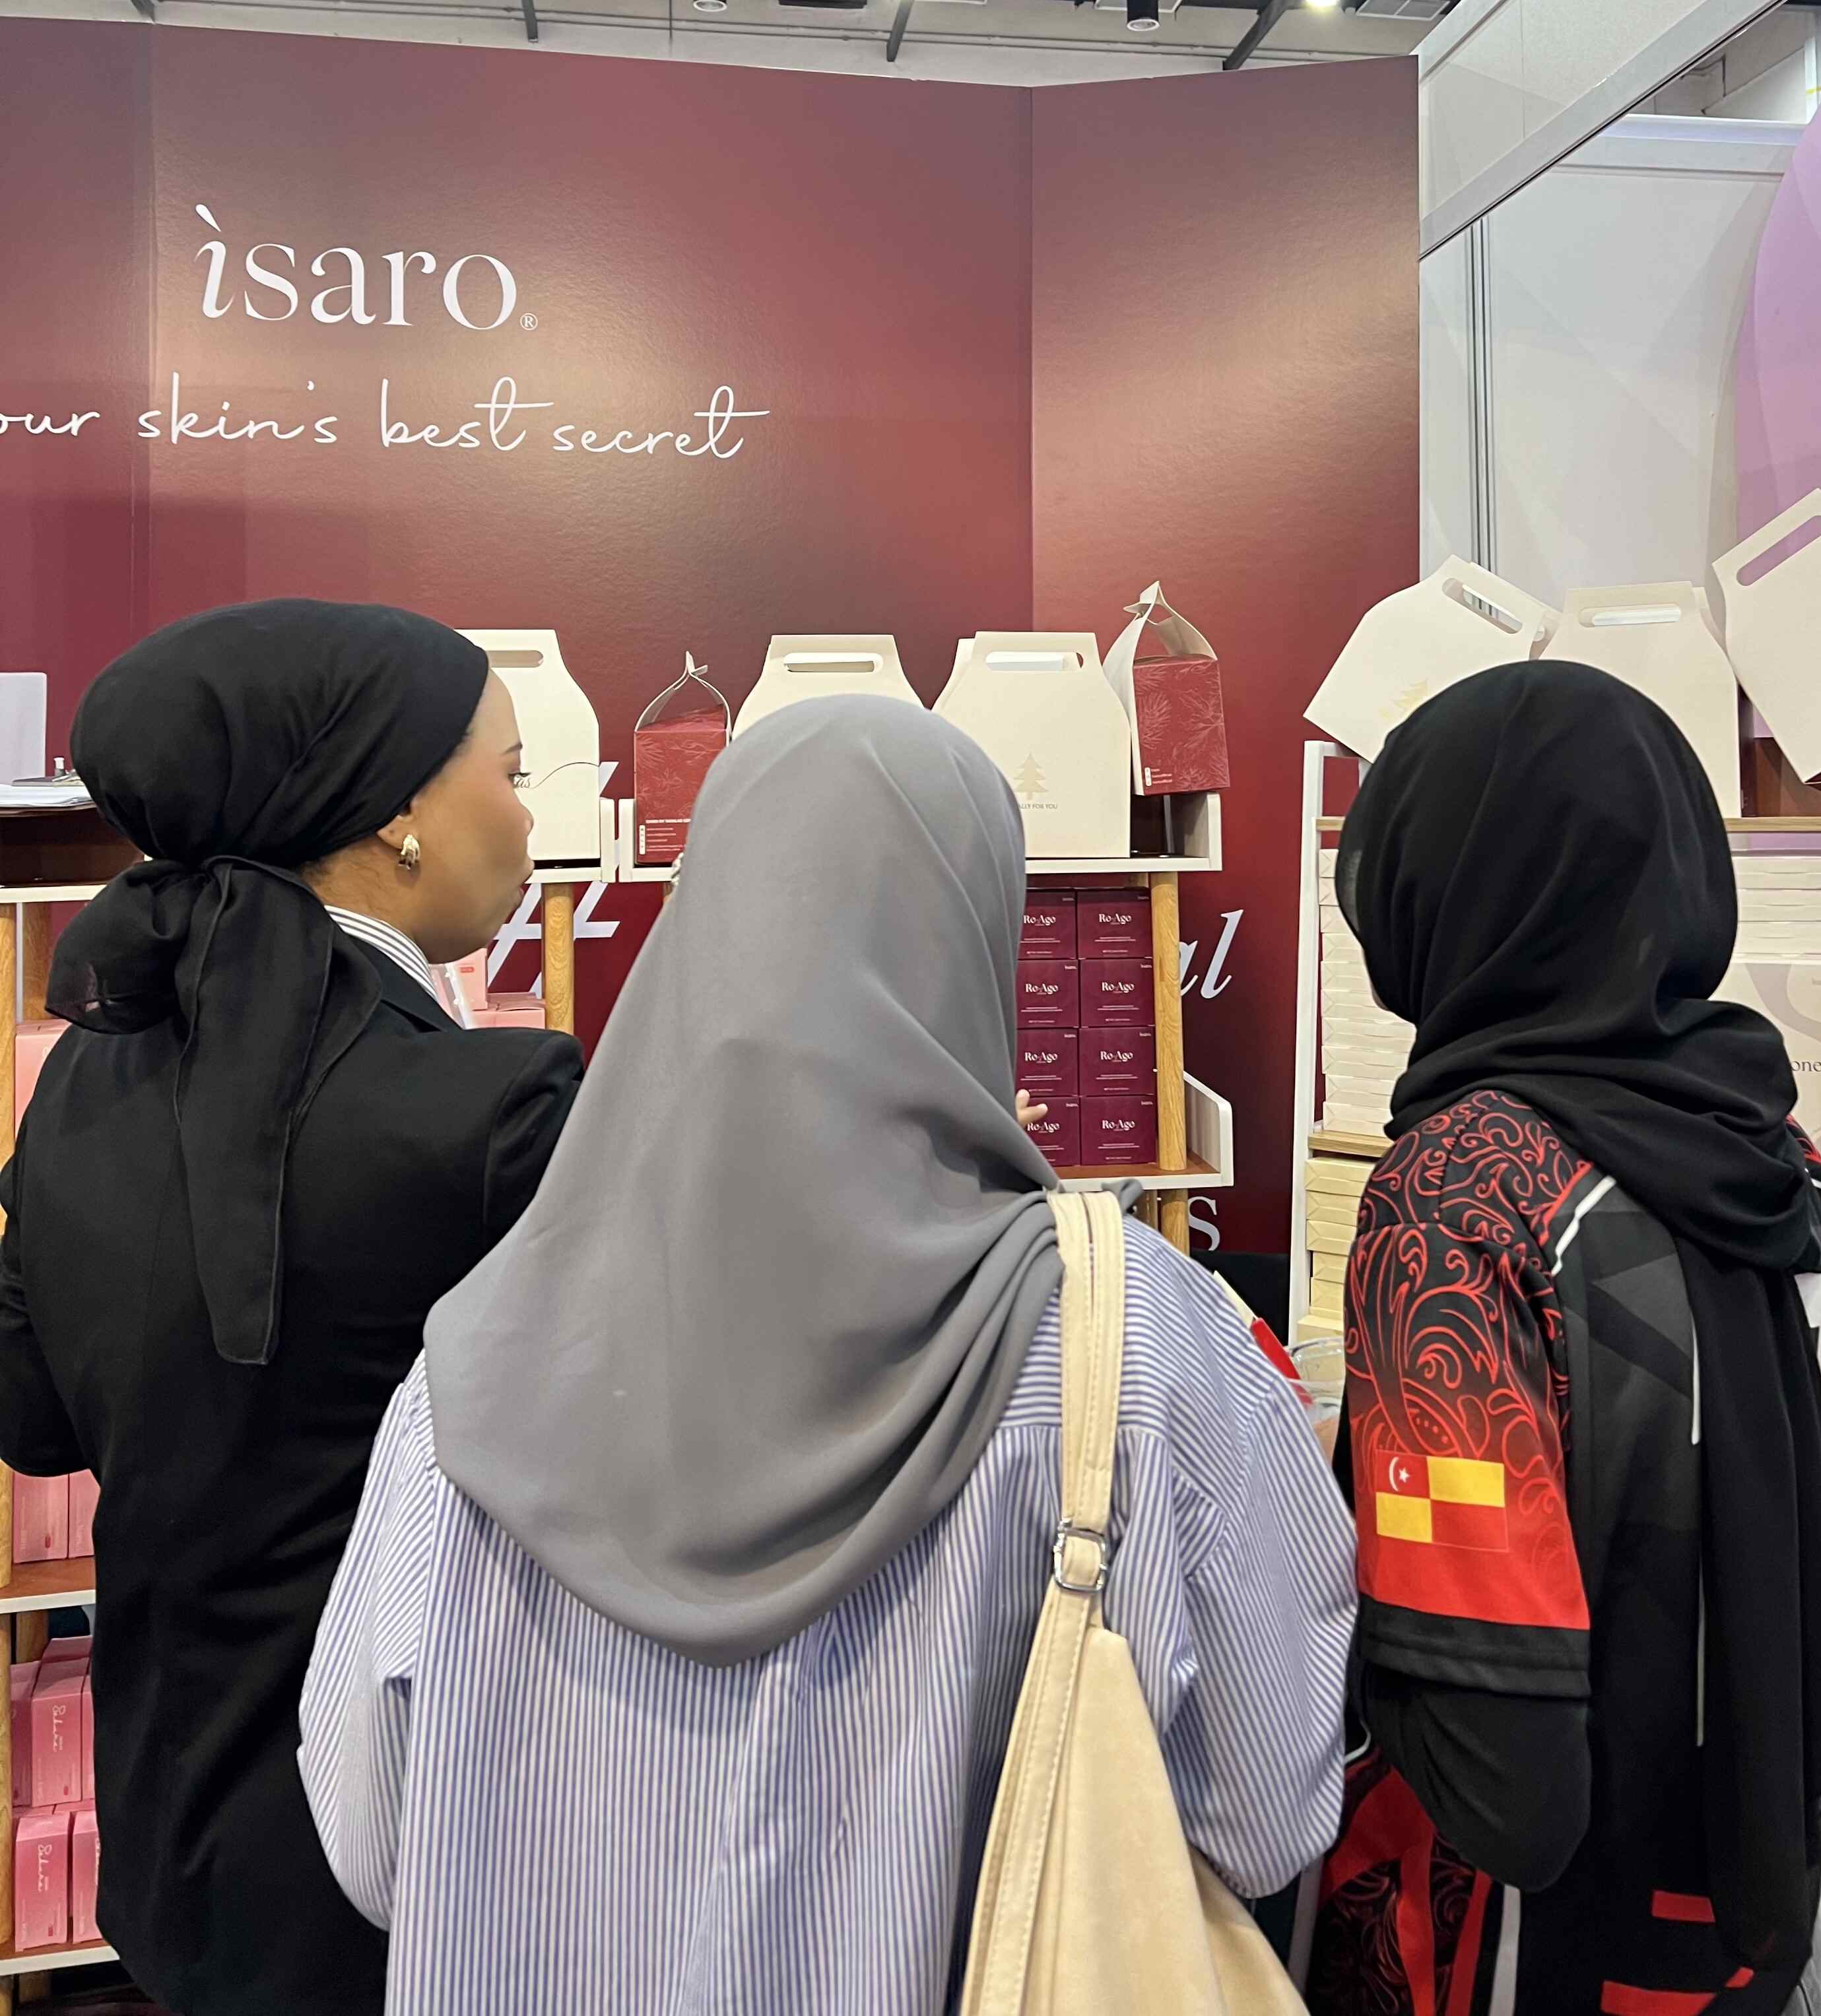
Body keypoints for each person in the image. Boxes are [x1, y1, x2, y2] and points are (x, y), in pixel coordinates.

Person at [302, 696, 1356, 2016]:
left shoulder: (476, 1372)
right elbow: (1266, 1810)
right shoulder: (1134, 1348)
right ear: (977, 936)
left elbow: (372, 1844)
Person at [0, 601, 583, 2016]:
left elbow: (32, 1419)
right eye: (511, 773)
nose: (528, 817)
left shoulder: (78, 1074)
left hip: (168, 1834)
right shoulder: (500, 1106)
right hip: (415, 1853)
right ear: (395, 815)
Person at [1311, 662, 1821, 2016]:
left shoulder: (1455, 1205)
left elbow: (1504, 1790)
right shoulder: (1777, 1153)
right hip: (1746, 1927)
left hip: (1531, 1957)